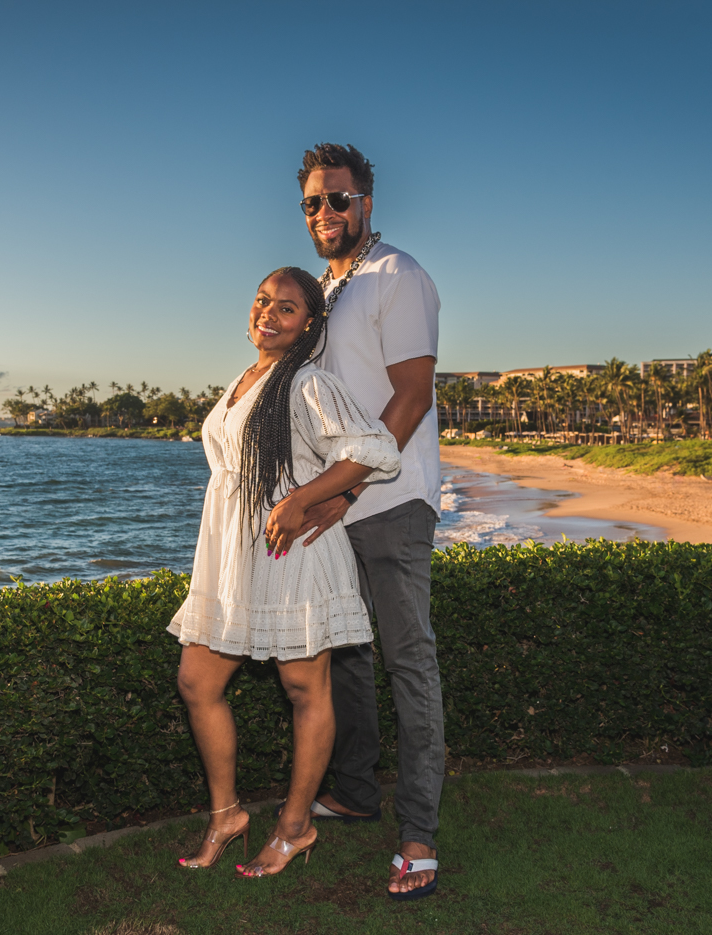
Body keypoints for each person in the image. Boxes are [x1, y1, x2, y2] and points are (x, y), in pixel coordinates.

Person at [168, 266, 401, 878]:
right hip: (235, 556)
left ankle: (295, 827)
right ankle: (227, 815)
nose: (268, 313)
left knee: (305, 690)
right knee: (196, 681)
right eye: (263, 300)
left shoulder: (307, 382)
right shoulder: (245, 379)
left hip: (290, 551)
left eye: (287, 307)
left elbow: (373, 449)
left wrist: (305, 498)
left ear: (310, 324)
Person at [291, 143, 445, 900]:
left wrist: (346, 493)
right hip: (338, 503)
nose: (325, 212)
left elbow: (410, 397)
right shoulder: (325, 290)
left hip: (391, 500)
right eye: (313, 203)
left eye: (338, 199)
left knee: (407, 660)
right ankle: (354, 790)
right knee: (347, 656)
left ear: (367, 204)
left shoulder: (398, 275)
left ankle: (419, 834)